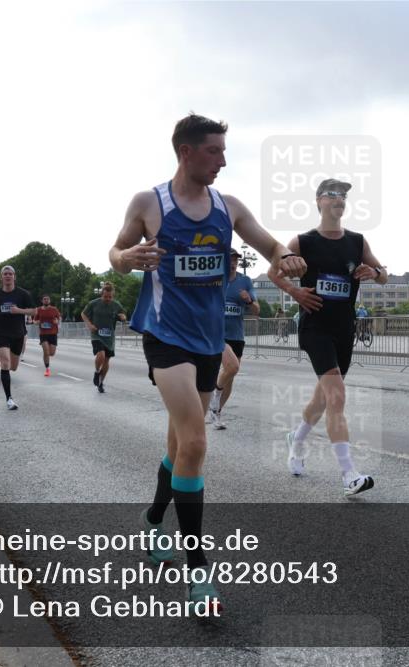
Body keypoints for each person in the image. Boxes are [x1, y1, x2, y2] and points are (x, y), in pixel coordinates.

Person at [108, 113, 306, 612]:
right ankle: (200, 576)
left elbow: (270, 243)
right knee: (196, 441)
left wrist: (285, 257)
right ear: (185, 152)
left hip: (206, 339)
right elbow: (115, 251)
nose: (223, 160)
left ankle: (154, 523)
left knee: (179, 445)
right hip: (164, 336)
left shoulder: (228, 206)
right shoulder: (149, 203)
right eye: (214, 151)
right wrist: (127, 259)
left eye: (223, 150)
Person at [267, 178, 388, 496]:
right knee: (337, 397)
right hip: (315, 328)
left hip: (344, 329)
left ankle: (297, 438)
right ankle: (349, 475)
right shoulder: (302, 241)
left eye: (344, 195)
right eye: (332, 194)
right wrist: (296, 292)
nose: (339, 199)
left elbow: (385, 275)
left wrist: (374, 273)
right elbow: (272, 272)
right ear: (319, 201)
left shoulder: (358, 242)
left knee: (322, 398)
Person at [207, 248, 258, 429]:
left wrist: (249, 301)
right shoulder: (214, 280)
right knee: (232, 366)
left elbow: (256, 311)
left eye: (236, 260)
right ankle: (214, 393)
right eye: (230, 259)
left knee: (231, 375)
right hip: (217, 334)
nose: (234, 263)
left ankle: (216, 412)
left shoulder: (245, 282)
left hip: (237, 335)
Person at [0, 266, 36, 410]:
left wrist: (18, 311)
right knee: (6, 363)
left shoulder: (23, 294)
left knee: (13, 367)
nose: (7, 276)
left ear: (14, 277)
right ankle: (9, 399)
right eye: (5, 274)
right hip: (0, 333)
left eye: (10, 274)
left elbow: (34, 311)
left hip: (18, 334)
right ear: (1, 277)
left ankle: (5, 363)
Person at [80, 283, 127, 393]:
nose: (108, 299)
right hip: (96, 334)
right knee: (101, 355)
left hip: (109, 337)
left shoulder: (116, 305)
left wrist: (123, 317)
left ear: (113, 296)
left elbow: (123, 315)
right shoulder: (94, 303)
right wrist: (89, 325)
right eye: (105, 296)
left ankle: (101, 383)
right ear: (102, 295)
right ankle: (97, 372)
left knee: (106, 360)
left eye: (110, 297)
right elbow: (83, 314)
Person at [34, 295, 61, 377]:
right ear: (42, 301)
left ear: (50, 301)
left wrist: (57, 321)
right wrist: (37, 322)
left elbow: (59, 319)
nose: (46, 300)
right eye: (44, 299)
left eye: (47, 299)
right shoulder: (38, 310)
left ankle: (46, 357)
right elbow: (34, 320)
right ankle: (47, 369)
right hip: (43, 334)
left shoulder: (54, 309)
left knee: (51, 353)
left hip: (53, 333)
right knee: (46, 351)